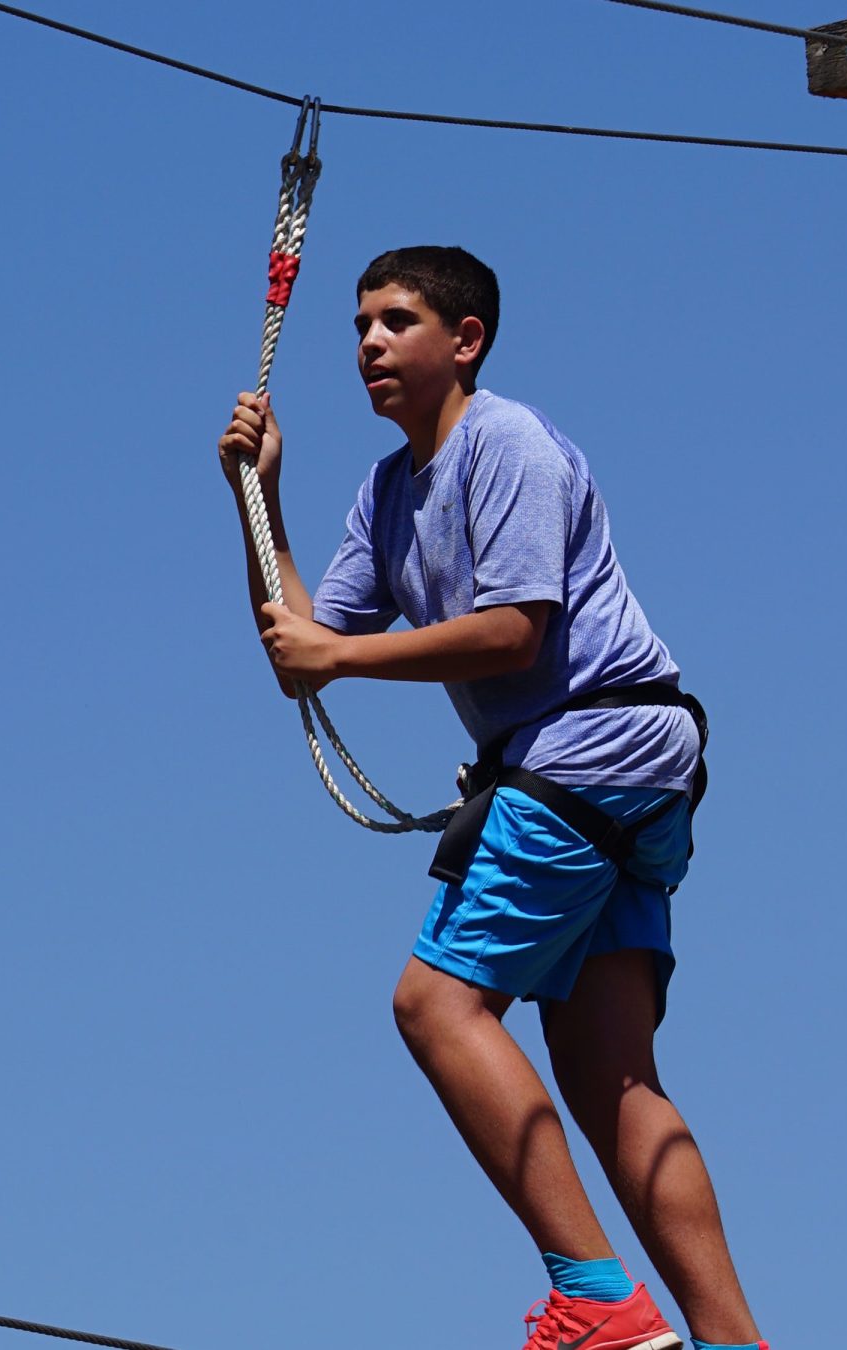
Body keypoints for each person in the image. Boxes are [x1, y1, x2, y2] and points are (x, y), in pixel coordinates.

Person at [215, 247, 766, 1350]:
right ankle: (733, 1341)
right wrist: (260, 495)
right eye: (360, 325)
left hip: (590, 743)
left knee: (434, 1005)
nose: (369, 342)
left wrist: (340, 662)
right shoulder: (387, 490)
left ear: (464, 341)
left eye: (397, 321)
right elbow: (302, 649)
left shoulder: (504, 442)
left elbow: (519, 630)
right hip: (619, 764)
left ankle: (598, 1300)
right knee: (609, 1073)